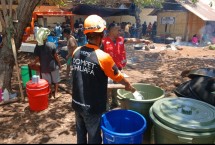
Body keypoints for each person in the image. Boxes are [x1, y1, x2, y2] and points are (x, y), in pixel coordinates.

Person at [71, 14, 136, 144]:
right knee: (94, 137)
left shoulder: (76, 51)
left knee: (81, 135)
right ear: (101, 34)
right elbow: (117, 76)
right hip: (92, 106)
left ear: (86, 34)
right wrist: (128, 85)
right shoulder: (103, 57)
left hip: (77, 103)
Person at [102, 23, 151, 109]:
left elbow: (132, 40)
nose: (120, 32)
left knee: (116, 86)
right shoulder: (103, 42)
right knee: (107, 88)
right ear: (111, 31)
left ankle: (114, 102)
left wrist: (143, 41)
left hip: (118, 69)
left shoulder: (121, 39)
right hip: (107, 70)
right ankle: (106, 105)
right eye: (118, 30)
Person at [31, 27, 61, 98]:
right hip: (53, 66)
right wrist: (59, 63)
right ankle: (56, 93)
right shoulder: (52, 44)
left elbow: (37, 58)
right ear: (46, 37)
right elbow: (56, 56)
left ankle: (50, 93)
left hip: (44, 67)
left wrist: (33, 63)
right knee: (56, 80)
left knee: (48, 82)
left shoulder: (38, 46)